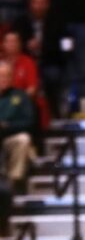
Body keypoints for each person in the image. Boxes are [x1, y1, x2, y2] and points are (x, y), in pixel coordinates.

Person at [0, 59, 34, 192]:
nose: (4, 79)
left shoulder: (20, 96)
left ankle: (13, 183)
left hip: (10, 138)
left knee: (23, 139)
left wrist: (6, 126)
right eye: (1, 76)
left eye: (7, 75)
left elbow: (29, 122)